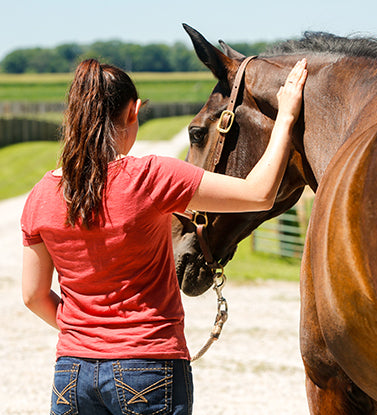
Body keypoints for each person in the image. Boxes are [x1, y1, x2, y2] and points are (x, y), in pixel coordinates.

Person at [21, 57, 307, 415]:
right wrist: (286, 117)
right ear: (132, 112)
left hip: (72, 372)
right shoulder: (152, 176)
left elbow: (33, 296)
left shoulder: (40, 195)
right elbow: (259, 192)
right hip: (148, 367)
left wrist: (86, 332)